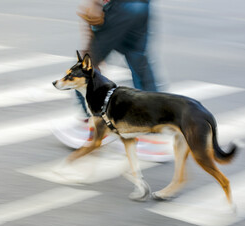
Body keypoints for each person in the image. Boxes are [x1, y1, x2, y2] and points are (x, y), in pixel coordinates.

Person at [53, 0, 173, 162]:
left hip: (121, 7)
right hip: (141, 6)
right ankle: (152, 135)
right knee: (139, 63)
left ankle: (93, 125)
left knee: (88, 65)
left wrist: (94, 2)